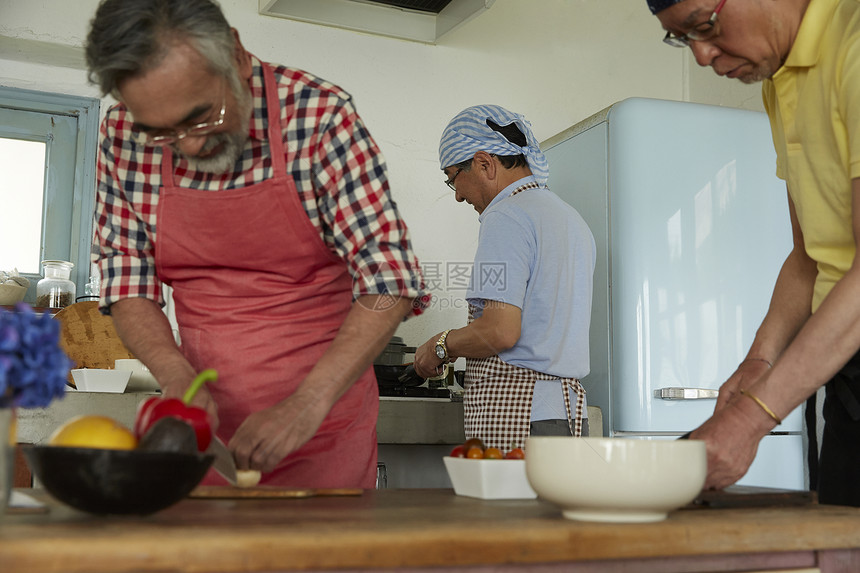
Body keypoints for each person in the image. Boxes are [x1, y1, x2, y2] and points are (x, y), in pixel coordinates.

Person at [84, 0, 426, 488]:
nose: (189, 146)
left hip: (323, 424)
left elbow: (391, 278)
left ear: (238, 57)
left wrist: (308, 403)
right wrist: (175, 375)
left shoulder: (319, 117)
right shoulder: (123, 133)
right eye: (161, 133)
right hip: (201, 437)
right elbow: (125, 275)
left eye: (202, 116)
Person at [647, 0, 860, 506]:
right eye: (682, 38)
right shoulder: (778, 78)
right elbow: (809, 255)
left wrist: (750, 419)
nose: (700, 56)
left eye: (704, 26)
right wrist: (759, 362)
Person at [413, 105, 596, 451]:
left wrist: (439, 346)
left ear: (484, 163)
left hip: (520, 412)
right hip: (565, 414)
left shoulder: (506, 216)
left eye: (453, 178)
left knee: (509, 508)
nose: (457, 194)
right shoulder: (568, 218)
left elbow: (500, 331)